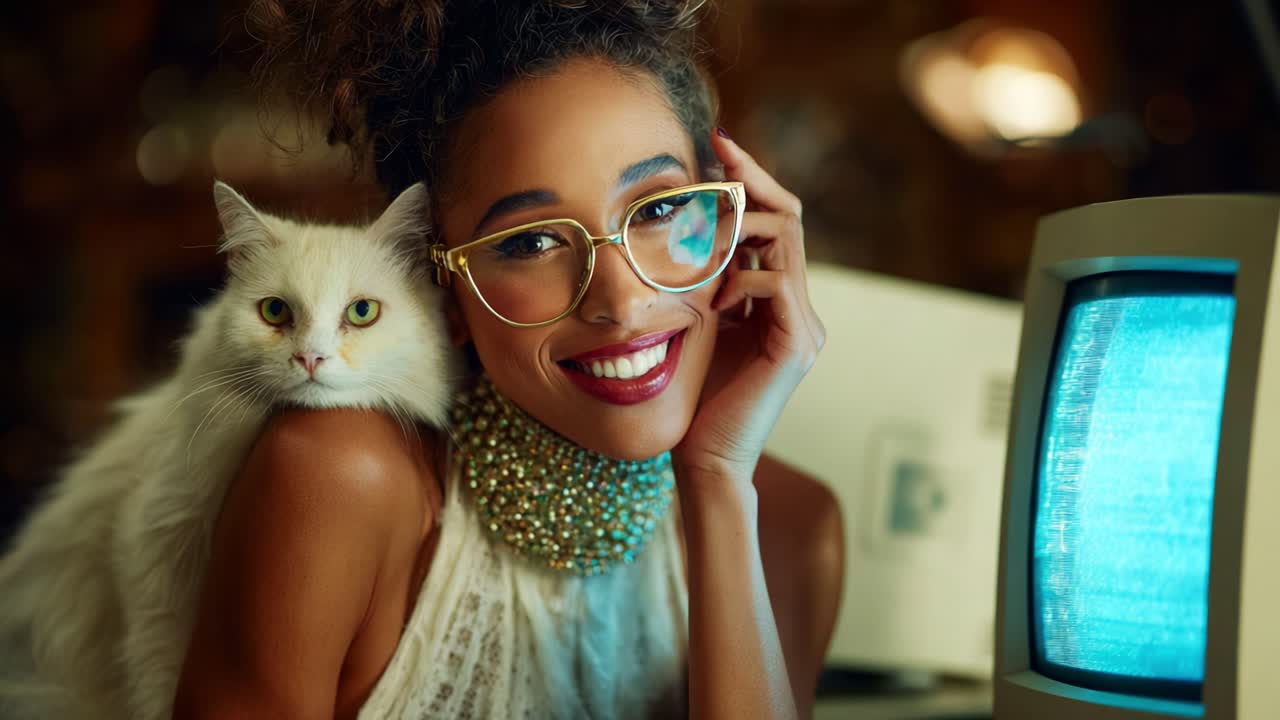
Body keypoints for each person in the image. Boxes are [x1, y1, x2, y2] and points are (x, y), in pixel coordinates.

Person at [175, 1, 844, 718]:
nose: (618, 301)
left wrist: (717, 483)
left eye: (655, 211)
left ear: (727, 230)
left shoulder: (793, 527)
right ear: (447, 294)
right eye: (530, 242)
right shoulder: (340, 476)